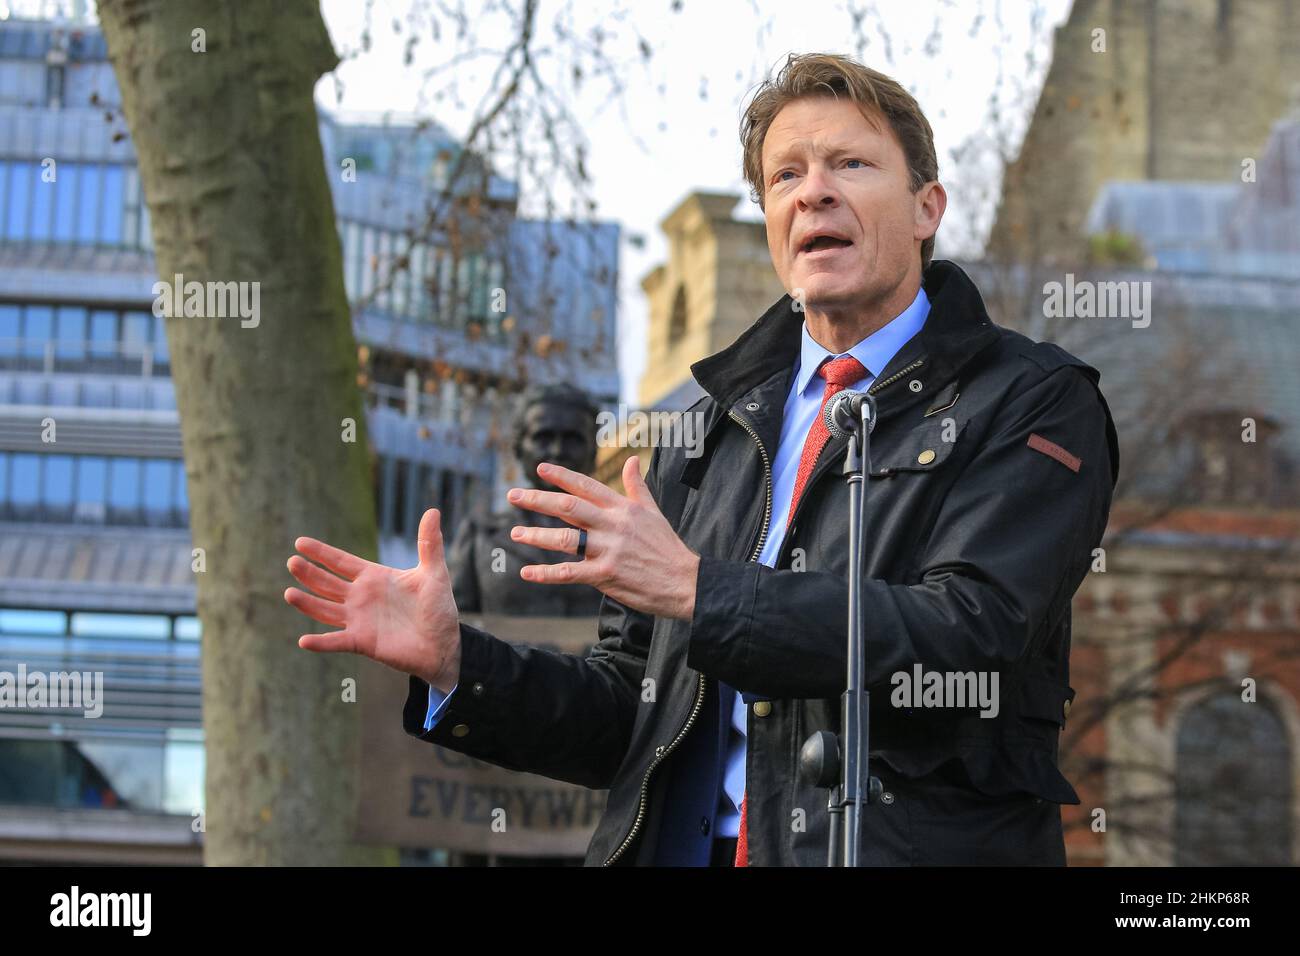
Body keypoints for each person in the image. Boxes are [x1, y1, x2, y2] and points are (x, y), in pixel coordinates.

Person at [285, 52, 1119, 867]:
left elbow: (970, 632)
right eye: (785, 176)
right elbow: (630, 709)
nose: (813, 190)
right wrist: (461, 664)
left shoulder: (1030, 399)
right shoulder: (707, 427)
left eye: (850, 163)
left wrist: (699, 589)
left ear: (927, 207)